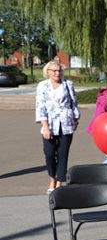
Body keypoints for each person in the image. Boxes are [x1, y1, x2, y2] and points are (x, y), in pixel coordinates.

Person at [36, 61, 80, 194]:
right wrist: (45, 127)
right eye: (54, 71)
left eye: (59, 70)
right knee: (49, 153)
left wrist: (76, 119)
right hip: (49, 124)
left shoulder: (68, 84)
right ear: (47, 72)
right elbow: (40, 107)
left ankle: (59, 182)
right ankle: (52, 178)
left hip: (66, 124)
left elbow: (74, 103)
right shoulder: (42, 86)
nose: (57, 73)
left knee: (63, 154)